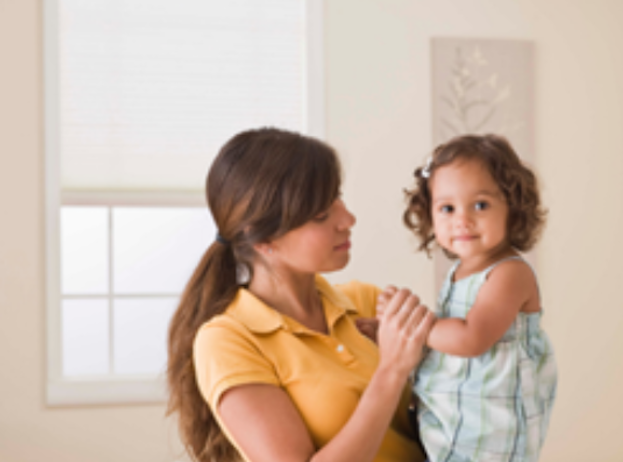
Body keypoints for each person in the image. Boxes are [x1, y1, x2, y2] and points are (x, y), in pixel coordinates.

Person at [166, 127, 436, 462]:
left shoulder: (365, 302)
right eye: (321, 215)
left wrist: (429, 358)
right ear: (264, 240)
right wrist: (392, 370)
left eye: (338, 197)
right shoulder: (228, 340)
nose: (347, 219)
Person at [391, 134, 558, 462]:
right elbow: (447, 340)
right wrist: (390, 330)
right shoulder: (459, 272)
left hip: (493, 436)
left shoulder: (509, 273)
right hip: (456, 425)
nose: (462, 220)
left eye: (480, 205)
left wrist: (410, 324)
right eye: (447, 208)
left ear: (513, 207)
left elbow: (471, 338)